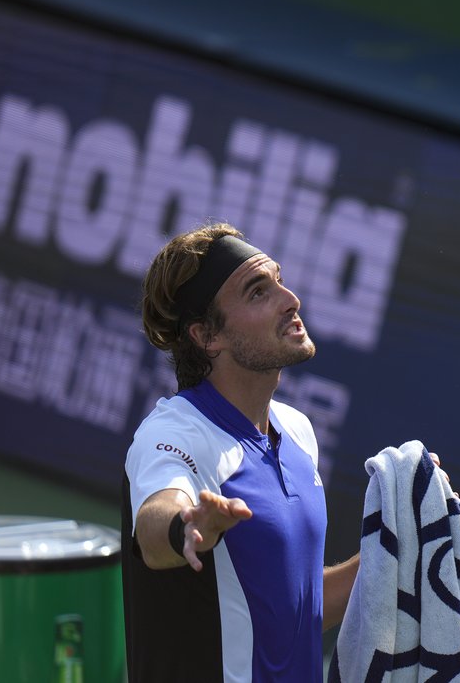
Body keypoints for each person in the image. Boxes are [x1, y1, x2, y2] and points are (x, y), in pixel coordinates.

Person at [121, 222, 357, 681]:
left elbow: (295, 613)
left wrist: (397, 543)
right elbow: (155, 522)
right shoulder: (174, 432)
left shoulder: (298, 432)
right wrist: (186, 527)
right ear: (208, 337)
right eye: (257, 292)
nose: (291, 301)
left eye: (280, 282)